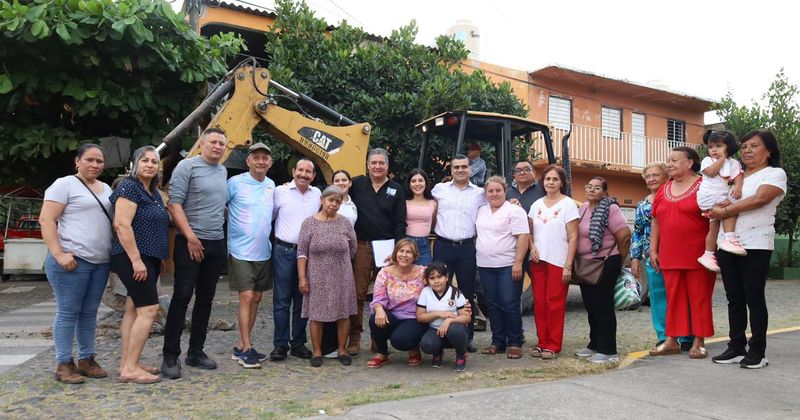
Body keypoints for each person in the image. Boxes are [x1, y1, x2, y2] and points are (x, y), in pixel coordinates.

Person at [709, 130, 786, 369]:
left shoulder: (774, 174)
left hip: (756, 243)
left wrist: (726, 211)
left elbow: (759, 200)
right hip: (727, 243)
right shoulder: (735, 175)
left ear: (769, 151)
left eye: (754, 146)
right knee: (734, 297)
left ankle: (758, 351)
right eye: (744, 147)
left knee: (753, 296)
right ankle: (736, 346)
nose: (747, 151)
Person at [40, 144, 113, 384]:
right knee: (68, 312)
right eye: (90, 160)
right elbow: (47, 219)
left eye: (99, 161)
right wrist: (59, 253)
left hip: (99, 262)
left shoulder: (106, 189)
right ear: (77, 161)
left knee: (90, 313)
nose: (95, 165)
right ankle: (63, 363)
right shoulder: (64, 184)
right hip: (72, 260)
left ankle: (86, 360)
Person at [162, 127, 229, 379]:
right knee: (181, 297)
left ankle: (196, 352)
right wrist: (190, 237)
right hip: (190, 241)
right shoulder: (187, 167)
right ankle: (170, 356)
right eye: (213, 142)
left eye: (222, 144)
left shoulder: (222, 171)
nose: (217, 147)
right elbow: (174, 203)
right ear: (202, 143)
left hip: (215, 242)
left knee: (206, 299)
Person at [649, 147, 717, 360]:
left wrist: (711, 250)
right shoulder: (664, 188)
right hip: (669, 252)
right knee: (673, 297)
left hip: (698, 253)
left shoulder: (704, 185)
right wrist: (653, 249)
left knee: (699, 297)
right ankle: (671, 340)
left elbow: (715, 218)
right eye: (668, 160)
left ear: (690, 163)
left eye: (675, 160)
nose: (669, 164)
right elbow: (656, 220)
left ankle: (699, 341)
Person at [109, 146, 170, 384]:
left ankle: (128, 362)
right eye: (144, 160)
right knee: (149, 310)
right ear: (135, 163)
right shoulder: (129, 187)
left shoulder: (153, 192)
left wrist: (158, 259)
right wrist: (136, 260)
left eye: (154, 161)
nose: (149, 164)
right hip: (132, 257)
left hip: (149, 258)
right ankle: (131, 368)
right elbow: (122, 225)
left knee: (134, 309)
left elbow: (154, 227)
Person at [348, 148, 407, 355]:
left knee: (386, 295)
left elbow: (400, 222)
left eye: (381, 163)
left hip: (387, 248)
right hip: (362, 245)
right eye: (373, 163)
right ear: (367, 165)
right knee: (358, 293)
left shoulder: (397, 189)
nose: (377, 166)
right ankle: (354, 337)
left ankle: (378, 337)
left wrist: (398, 251)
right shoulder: (356, 184)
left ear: (387, 166)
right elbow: (334, 190)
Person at [631, 162, 692, 350]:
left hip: (677, 254)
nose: (651, 179)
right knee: (658, 297)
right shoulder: (642, 205)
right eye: (648, 176)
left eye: (655, 175)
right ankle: (664, 336)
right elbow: (638, 232)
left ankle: (686, 336)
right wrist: (635, 258)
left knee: (680, 295)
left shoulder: (676, 197)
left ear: (666, 176)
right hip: (652, 257)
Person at [297, 186, 358, 368]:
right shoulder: (309, 223)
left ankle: (342, 350)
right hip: (317, 275)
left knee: (343, 313)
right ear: (322, 200)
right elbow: (301, 252)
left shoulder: (345, 223)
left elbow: (353, 248)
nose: (334, 204)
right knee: (316, 315)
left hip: (342, 274)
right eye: (331, 200)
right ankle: (317, 351)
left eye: (338, 201)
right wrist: (302, 278)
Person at [227, 143, 275, 369]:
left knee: (256, 298)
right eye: (256, 157)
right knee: (246, 297)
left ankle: (241, 345)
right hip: (240, 251)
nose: (261, 161)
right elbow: (220, 207)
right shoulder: (234, 183)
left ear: (270, 163)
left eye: (265, 158)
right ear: (248, 161)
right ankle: (246, 348)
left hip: (263, 251)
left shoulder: (271, 185)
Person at [432, 154, 487, 352]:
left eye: (464, 167)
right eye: (457, 167)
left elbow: (497, 202)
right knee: (439, 290)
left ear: (470, 170)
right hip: (443, 246)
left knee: (466, 293)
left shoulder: (480, 193)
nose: (461, 170)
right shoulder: (439, 189)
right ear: (451, 170)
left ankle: (467, 337)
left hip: (466, 248)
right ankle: (439, 333)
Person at [574, 176, 631, 364]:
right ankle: (594, 344)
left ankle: (608, 350)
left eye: (597, 188)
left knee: (603, 306)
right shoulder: (583, 208)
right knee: (590, 306)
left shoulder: (611, 208)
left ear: (605, 192)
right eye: (589, 186)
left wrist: (619, 260)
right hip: (586, 264)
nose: (592, 190)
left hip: (605, 261)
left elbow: (624, 236)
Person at [270, 158, 321, 361]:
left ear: (313, 176)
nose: (303, 174)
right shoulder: (279, 192)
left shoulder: (317, 194)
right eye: (300, 170)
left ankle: (298, 343)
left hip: (309, 254)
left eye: (308, 172)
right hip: (284, 251)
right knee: (282, 301)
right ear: (293, 171)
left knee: (303, 300)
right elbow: (271, 216)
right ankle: (280, 345)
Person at [475, 176, 530, 359]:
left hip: (508, 265)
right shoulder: (481, 210)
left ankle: (515, 342)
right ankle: (497, 341)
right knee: (492, 304)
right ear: (486, 193)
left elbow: (522, 236)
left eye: (498, 190)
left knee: (509, 303)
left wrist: (518, 262)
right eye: (490, 191)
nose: (494, 194)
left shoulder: (514, 210)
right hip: (485, 265)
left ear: (505, 191)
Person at [528, 166, 579, 360]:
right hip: (538, 260)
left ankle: (553, 345)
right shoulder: (536, 205)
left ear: (561, 183)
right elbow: (529, 231)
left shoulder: (568, 205)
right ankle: (542, 342)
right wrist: (531, 246)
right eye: (547, 179)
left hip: (558, 261)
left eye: (555, 179)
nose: (550, 182)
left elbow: (573, 237)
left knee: (554, 304)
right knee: (540, 303)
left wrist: (568, 265)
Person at [367, 239, 427, 368]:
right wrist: (379, 309)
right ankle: (382, 354)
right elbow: (378, 298)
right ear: (395, 253)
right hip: (392, 315)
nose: (404, 255)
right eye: (401, 251)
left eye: (409, 252)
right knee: (374, 318)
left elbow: (440, 284)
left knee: (400, 340)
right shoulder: (384, 273)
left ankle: (414, 349)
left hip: (414, 317)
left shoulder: (423, 273)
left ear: (415, 256)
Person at [696, 130, 746, 272]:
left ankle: (708, 254)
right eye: (711, 147)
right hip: (707, 197)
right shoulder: (707, 161)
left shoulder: (734, 163)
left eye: (718, 146)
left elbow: (738, 177)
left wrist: (738, 186)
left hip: (718, 197)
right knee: (732, 210)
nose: (714, 150)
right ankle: (729, 238)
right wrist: (722, 159)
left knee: (714, 226)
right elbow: (711, 172)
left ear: (728, 147)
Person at [417, 262, 471, 371]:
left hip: (454, 328)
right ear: (427, 281)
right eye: (432, 278)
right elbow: (420, 317)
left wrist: (449, 321)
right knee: (427, 345)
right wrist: (438, 313)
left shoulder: (455, 293)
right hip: (434, 329)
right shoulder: (425, 292)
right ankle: (437, 351)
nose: (436, 281)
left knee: (456, 331)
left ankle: (461, 353)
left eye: (439, 277)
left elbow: (467, 317)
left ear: (446, 277)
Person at [404, 168, 436, 265]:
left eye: (420, 180)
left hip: (424, 245)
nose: (417, 184)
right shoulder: (403, 202)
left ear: (426, 183)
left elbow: (433, 224)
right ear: (409, 184)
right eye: (413, 181)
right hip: (406, 244)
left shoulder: (433, 203)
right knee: (405, 278)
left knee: (423, 277)